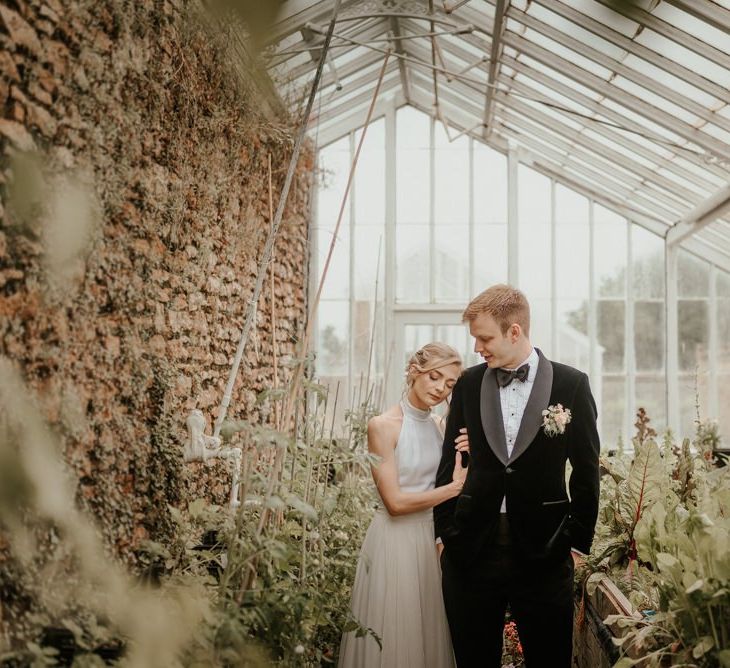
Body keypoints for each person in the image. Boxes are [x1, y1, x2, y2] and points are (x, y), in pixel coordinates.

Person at [434, 284, 600, 668]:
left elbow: (587, 472)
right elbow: (448, 463)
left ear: (515, 332)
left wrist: (575, 544)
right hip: (470, 551)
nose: (477, 347)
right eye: (475, 338)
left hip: (545, 552)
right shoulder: (469, 384)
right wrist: (444, 535)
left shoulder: (571, 385)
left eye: (484, 337)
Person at [338, 343, 467, 668]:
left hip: (432, 542)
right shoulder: (382, 426)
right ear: (414, 371)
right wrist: (453, 489)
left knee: (428, 634)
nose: (439, 388)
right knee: (396, 632)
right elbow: (394, 502)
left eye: (449, 384)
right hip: (394, 542)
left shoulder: (441, 427)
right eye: (434, 377)